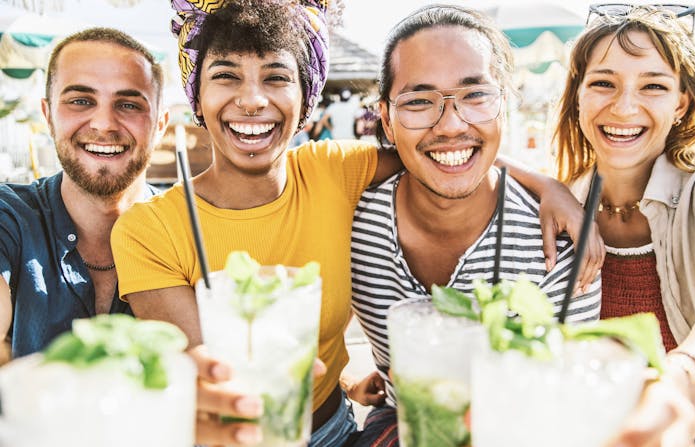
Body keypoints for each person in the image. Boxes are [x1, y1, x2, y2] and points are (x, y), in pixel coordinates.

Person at [111, 1, 601, 445]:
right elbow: (216, 382)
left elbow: (439, 153)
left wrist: (545, 184)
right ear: (197, 94)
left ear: (306, 98)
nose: (254, 100)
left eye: (277, 77)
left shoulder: (333, 171)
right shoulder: (146, 230)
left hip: (338, 430)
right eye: (226, 76)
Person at [343, 6, 603, 445]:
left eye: (475, 96)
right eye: (420, 101)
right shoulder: (347, 218)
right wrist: (347, 379)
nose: (450, 124)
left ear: (505, 104)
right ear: (386, 118)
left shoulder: (562, 246)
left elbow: (570, 410)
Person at [553, 5, 695, 446]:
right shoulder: (556, 204)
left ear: (681, 104)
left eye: (653, 85)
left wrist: (682, 396)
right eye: (603, 83)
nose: (624, 106)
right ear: (577, 95)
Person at [0, 27, 168, 360]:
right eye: (80, 101)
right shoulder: (11, 215)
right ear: (48, 116)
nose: (104, 123)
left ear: (160, 126)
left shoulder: (191, 227)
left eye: (129, 104)